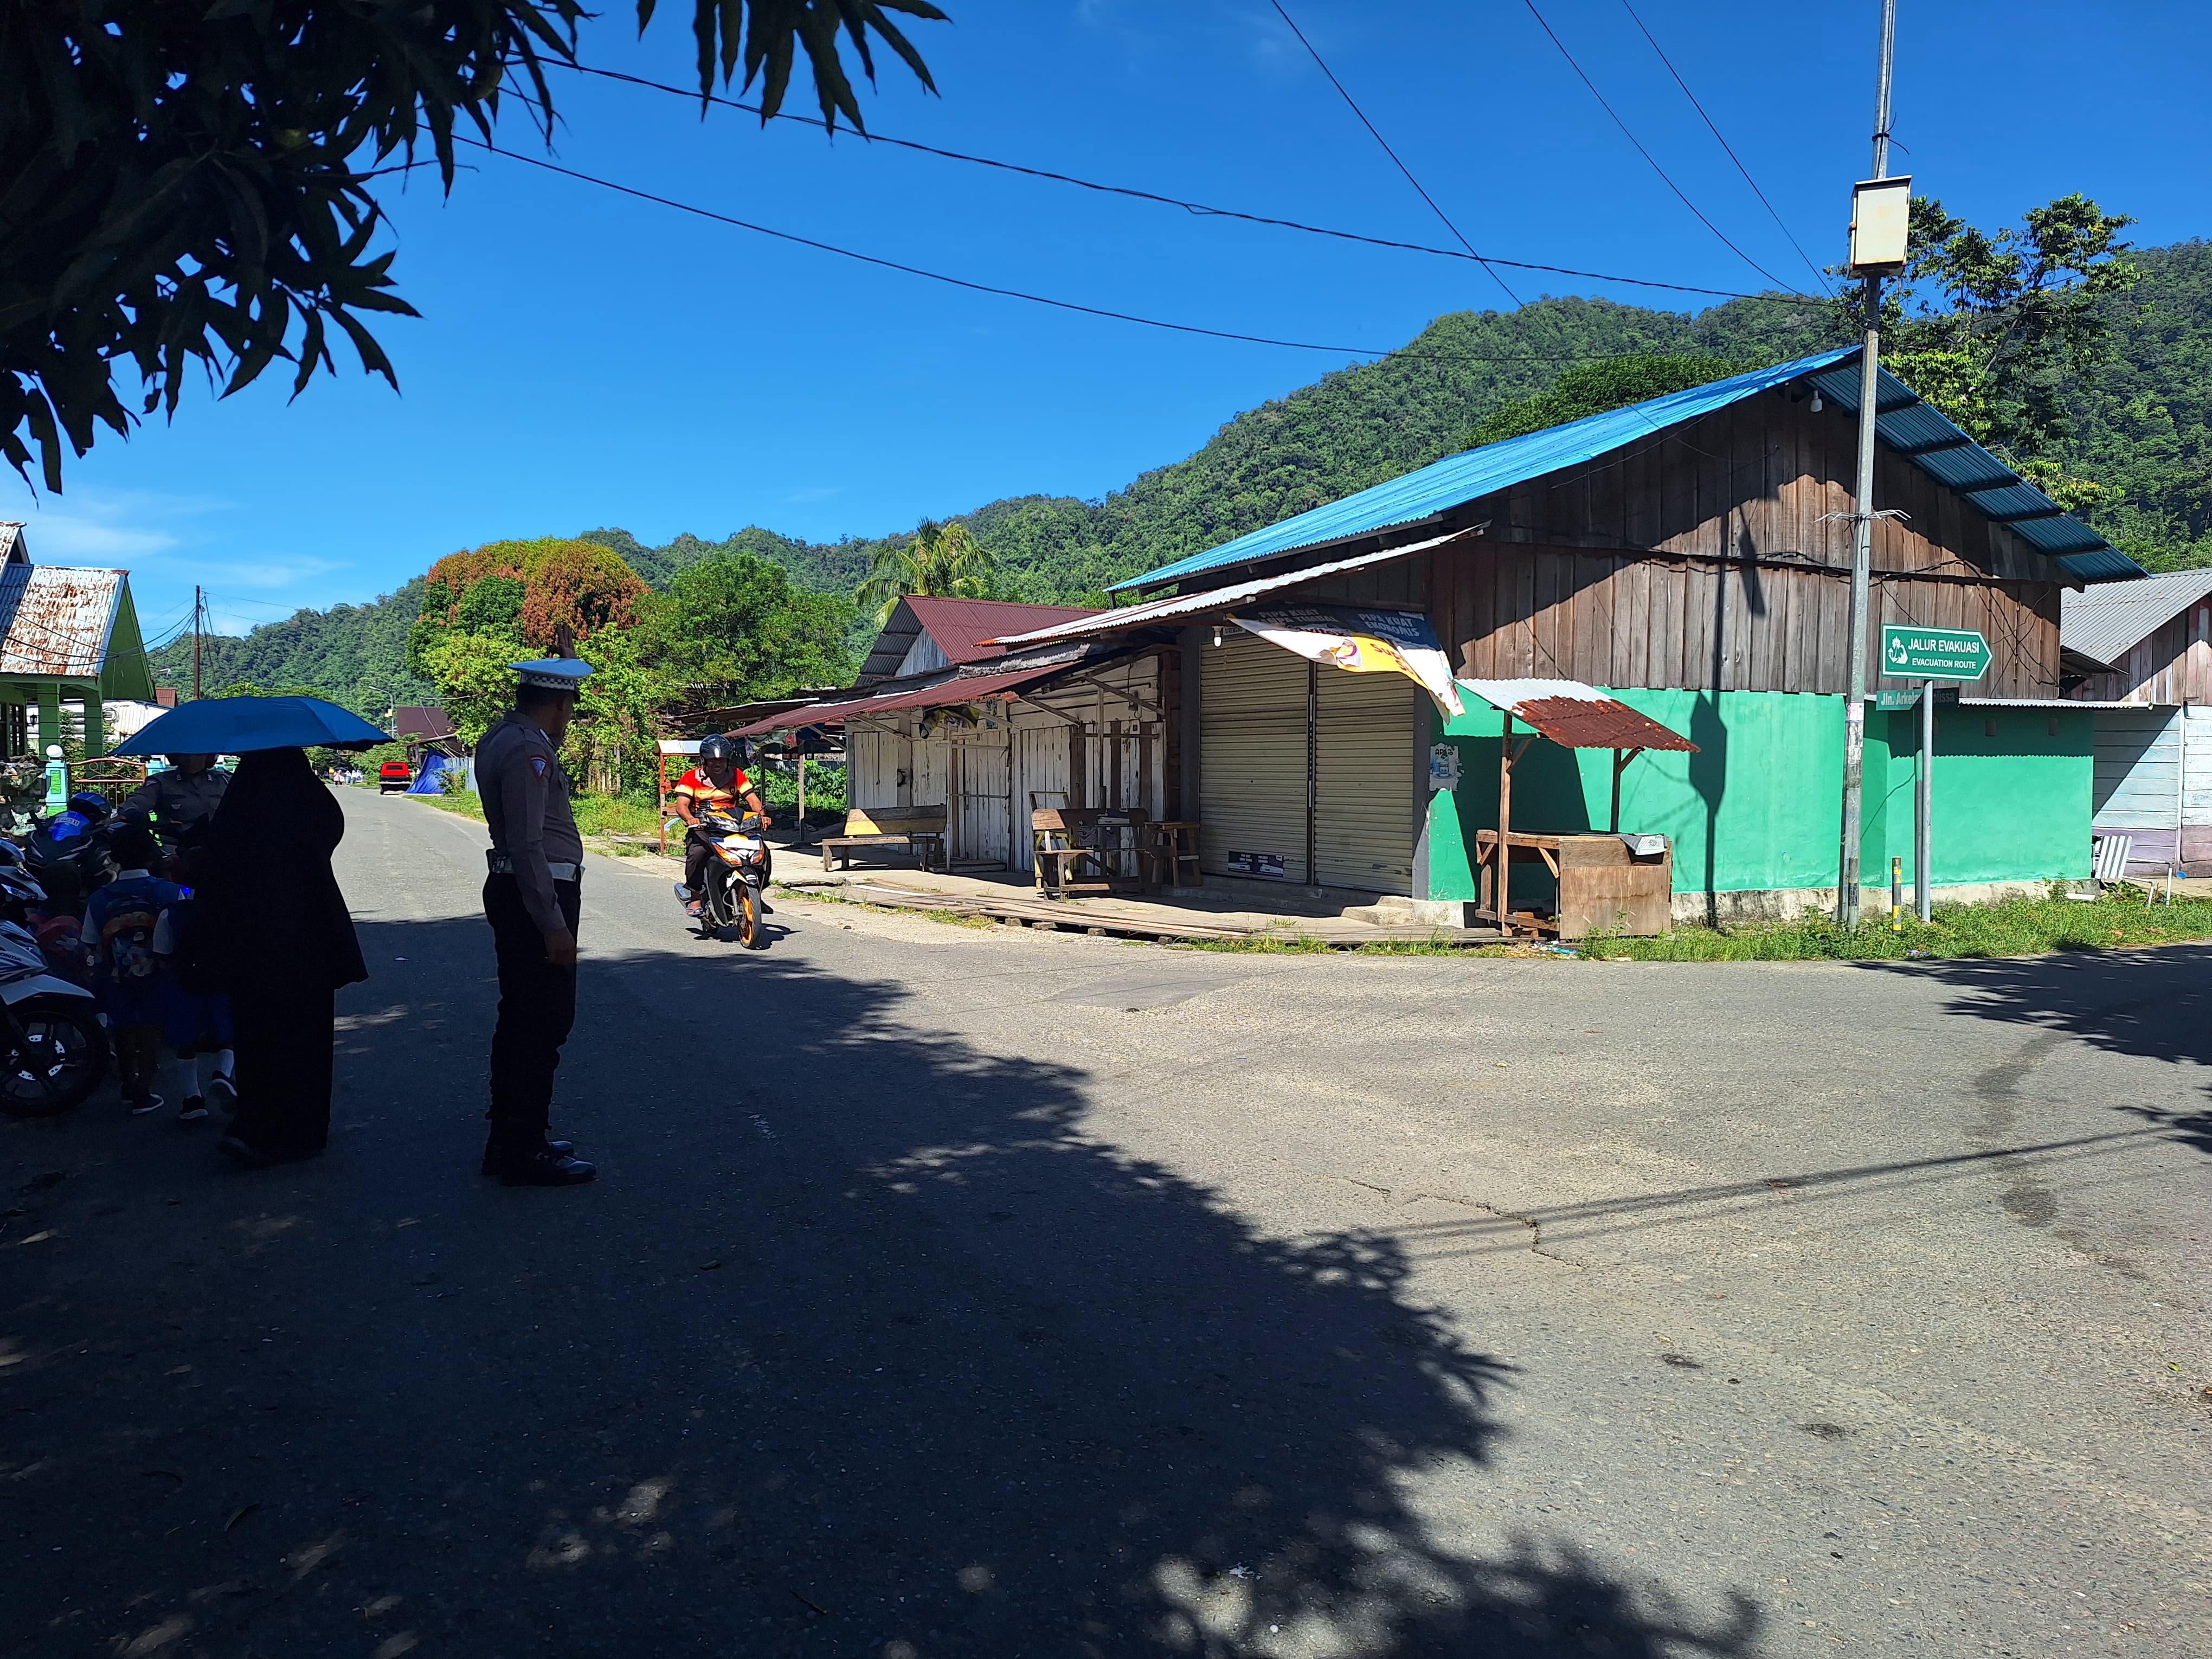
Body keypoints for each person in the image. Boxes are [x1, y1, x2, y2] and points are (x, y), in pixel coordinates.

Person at [197, 745, 367, 1166]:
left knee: (258, 1035)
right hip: (310, 930)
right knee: (308, 1034)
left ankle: (259, 1127)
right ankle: (305, 1128)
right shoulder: (310, 797)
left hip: (251, 937)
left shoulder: (241, 802)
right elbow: (331, 831)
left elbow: (216, 863)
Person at [476, 658, 597, 1186]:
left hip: (520, 889)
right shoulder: (529, 749)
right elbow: (527, 843)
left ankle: (515, 1136)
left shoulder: (499, 737)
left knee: (523, 1017)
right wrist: (552, 923)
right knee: (542, 1021)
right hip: (538, 894)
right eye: (569, 707)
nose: (568, 718)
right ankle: (521, 1147)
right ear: (558, 703)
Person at [79, 822, 182, 1117]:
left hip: (115, 976)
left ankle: (129, 1083)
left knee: (123, 1029)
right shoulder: (170, 892)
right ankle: (144, 1090)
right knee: (153, 1029)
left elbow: (90, 940)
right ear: (152, 856)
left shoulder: (101, 898)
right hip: (159, 975)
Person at [152, 826, 235, 1127]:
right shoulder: (233, 911)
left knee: (185, 1044)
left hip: (184, 985)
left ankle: (192, 1100)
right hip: (224, 983)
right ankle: (223, 1074)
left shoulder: (172, 914)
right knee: (229, 1035)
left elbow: (162, 953)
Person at [670, 735, 771, 919]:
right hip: (705, 827)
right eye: (713, 761)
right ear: (705, 760)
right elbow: (682, 805)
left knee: (762, 850)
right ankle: (695, 896)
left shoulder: (737, 775)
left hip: (734, 825)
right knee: (697, 854)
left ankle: (757, 893)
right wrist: (691, 819)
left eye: (722, 760)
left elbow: (753, 799)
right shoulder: (691, 777)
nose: (718, 764)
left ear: (728, 760)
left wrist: (762, 815)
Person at [123, 754, 230, 846]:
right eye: (185, 754)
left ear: (210, 757)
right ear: (175, 757)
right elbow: (137, 802)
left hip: (219, 845)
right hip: (175, 847)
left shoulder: (224, 781)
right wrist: (132, 814)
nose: (191, 759)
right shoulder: (161, 782)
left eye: (198, 754)